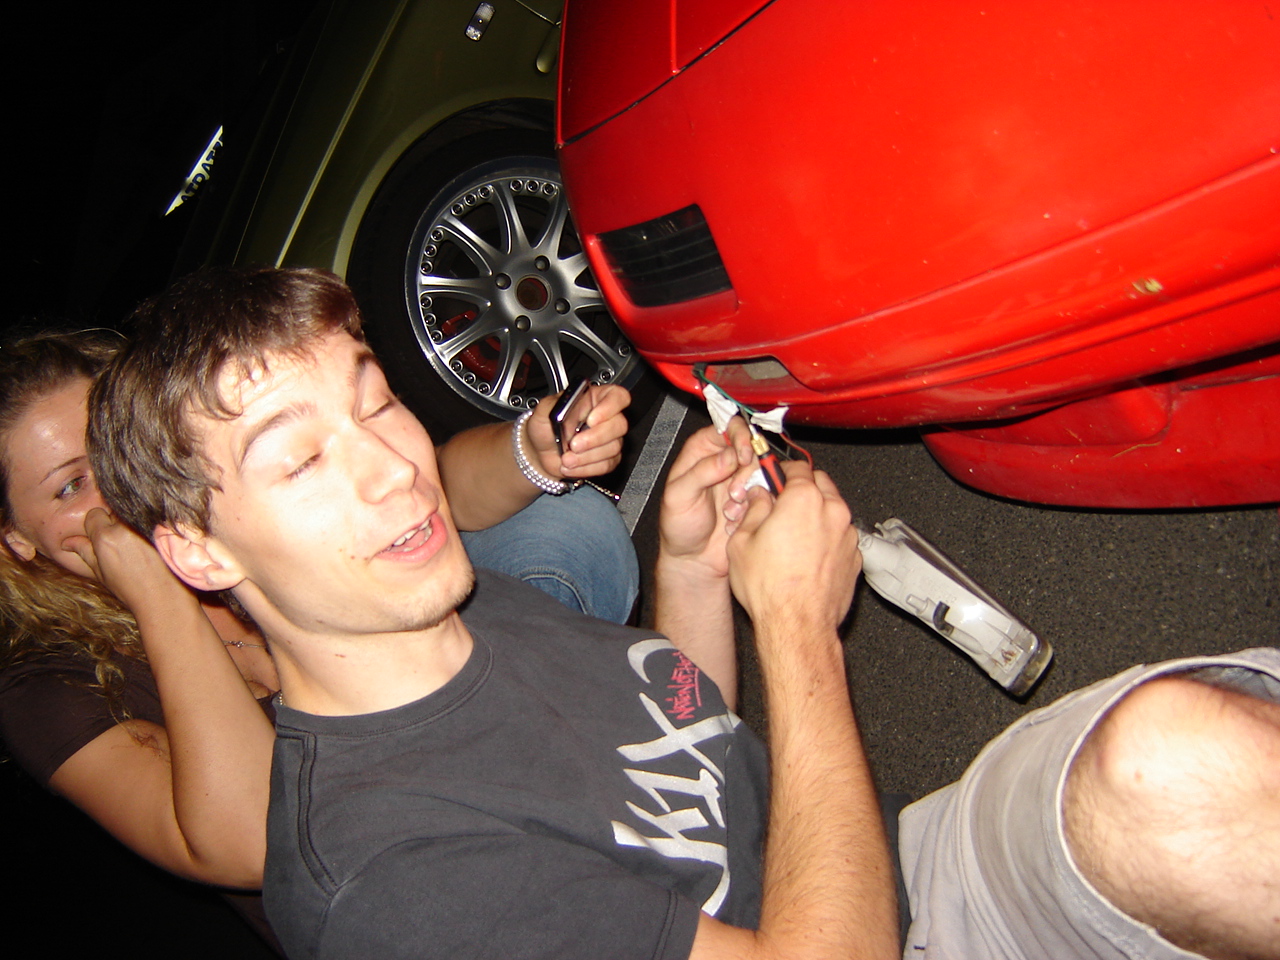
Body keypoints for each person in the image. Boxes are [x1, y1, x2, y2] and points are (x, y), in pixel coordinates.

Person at [90, 266, 1279, 960]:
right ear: (194, 549)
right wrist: (796, 632)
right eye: (300, 460)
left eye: (374, 403)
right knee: (1179, 765)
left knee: (1177, 762)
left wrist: (692, 565)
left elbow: (672, 731)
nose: (393, 469)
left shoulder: (431, 607)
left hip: (866, 873)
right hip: (851, 931)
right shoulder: (390, 883)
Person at [0, 313, 637, 891]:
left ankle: (585, 755)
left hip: (482, 723)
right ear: (17, 539)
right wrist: (158, 594)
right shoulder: (44, 690)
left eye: (112, 448)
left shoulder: (228, 498)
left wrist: (530, 449)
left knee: (560, 524)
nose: (115, 490)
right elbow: (255, 844)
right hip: (402, 872)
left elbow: (420, 488)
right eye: (71, 487)